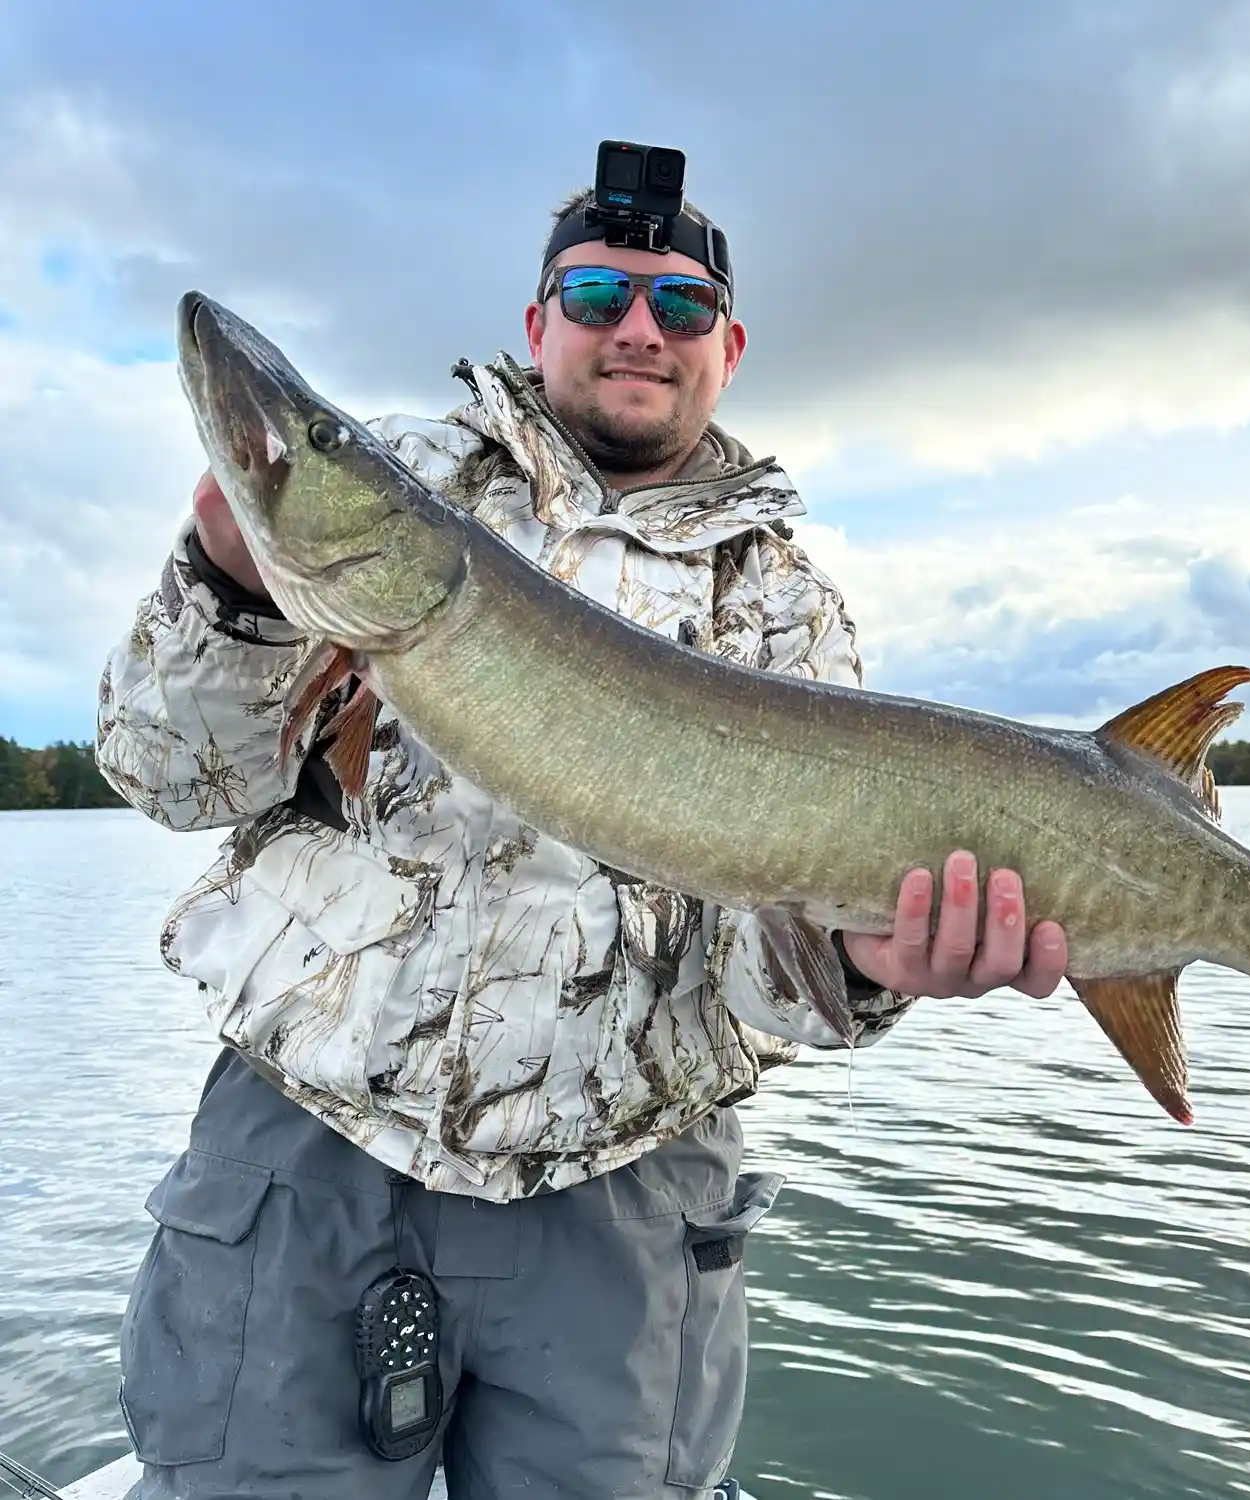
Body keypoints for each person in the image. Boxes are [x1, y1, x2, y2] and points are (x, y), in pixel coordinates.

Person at [96, 177, 1069, 1499]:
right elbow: (168, 778)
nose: (639, 330)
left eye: (683, 305)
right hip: (305, 1156)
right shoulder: (402, 484)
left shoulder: (786, 613)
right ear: (538, 319)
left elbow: (761, 973)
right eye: (601, 295)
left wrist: (861, 967)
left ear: (728, 348)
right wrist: (227, 584)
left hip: (627, 1195)